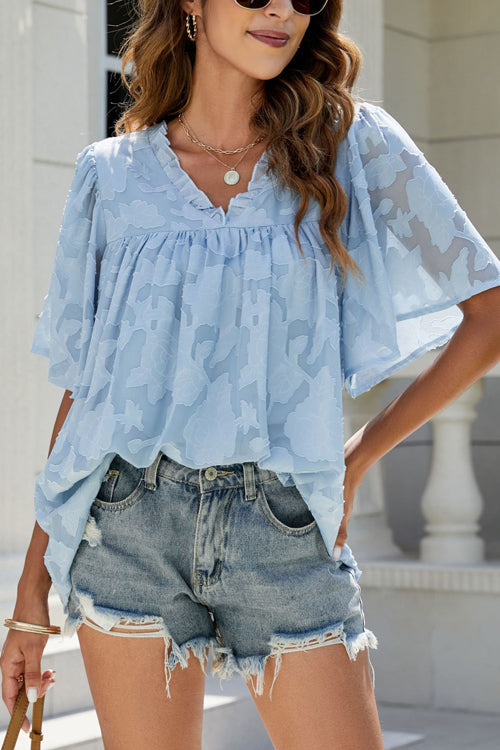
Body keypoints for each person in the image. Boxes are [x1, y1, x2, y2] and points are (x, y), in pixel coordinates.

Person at [2, 0, 500, 747]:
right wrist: (31, 594)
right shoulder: (111, 176)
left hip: (284, 528)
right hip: (128, 523)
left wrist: (360, 454)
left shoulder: (350, 145)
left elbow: (489, 313)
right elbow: (85, 391)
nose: (282, 9)